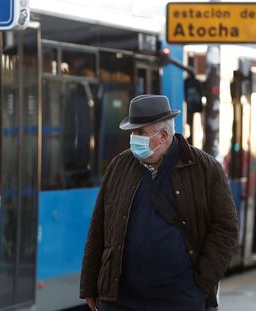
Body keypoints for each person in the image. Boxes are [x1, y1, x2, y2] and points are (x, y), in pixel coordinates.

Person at [80, 94, 238, 311]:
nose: (133, 138)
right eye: (133, 132)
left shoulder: (205, 169)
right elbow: (98, 228)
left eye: (140, 132)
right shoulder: (119, 166)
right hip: (121, 299)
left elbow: (226, 229)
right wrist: (90, 286)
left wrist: (203, 283)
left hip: (179, 299)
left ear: (163, 136)